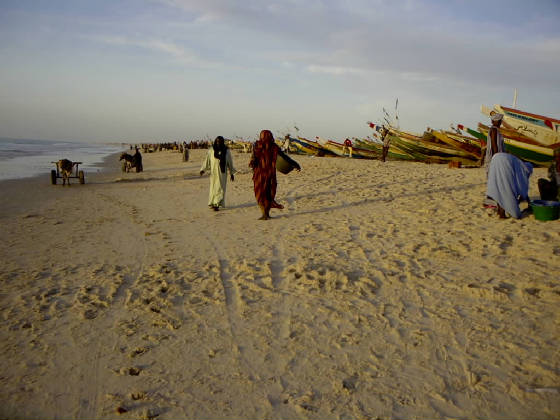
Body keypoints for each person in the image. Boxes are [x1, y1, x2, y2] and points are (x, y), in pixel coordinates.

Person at [249, 129, 292, 220]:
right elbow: (284, 157)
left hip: (259, 174)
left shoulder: (257, 145)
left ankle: (264, 214)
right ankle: (266, 214)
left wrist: (252, 164)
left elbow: (253, 158)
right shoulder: (274, 147)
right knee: (269, 193)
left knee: (260, 193)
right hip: (270, 174)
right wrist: (295, 165)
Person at [486, 152, 533, 219]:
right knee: (504, 188)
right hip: (503, 161)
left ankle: (500, 211)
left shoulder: (519, 164)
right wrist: (520, 202)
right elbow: (523, 191)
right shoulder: (524, 170)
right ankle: (502, 214)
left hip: (495, 158)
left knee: (498, 187)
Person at [200, 136, 235, 211]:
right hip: (213, 173)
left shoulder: (226, 151)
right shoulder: (211, 150)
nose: (218, 142)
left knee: (220, 188)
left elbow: (230, 162)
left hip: (222, 173)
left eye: (220, 141)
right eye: (217, 141)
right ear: (215, 141)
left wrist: (232, 173)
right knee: (213, 188)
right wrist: (203, 169)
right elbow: (207, 160)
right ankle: (213, 203)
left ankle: (217, 204)